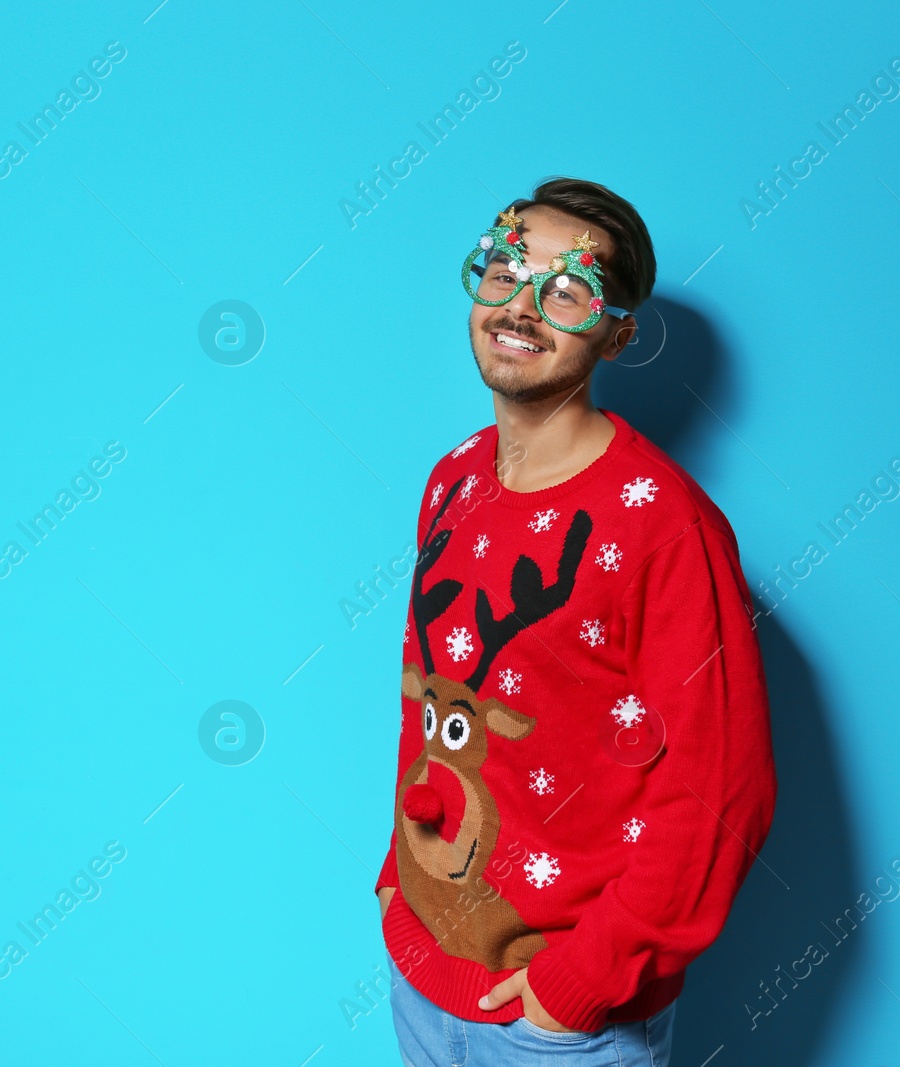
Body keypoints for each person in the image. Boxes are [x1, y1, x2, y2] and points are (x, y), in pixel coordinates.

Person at [374, 177, 778, 1066]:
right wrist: (398, 888)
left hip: (557, 1025)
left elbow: (724, 788)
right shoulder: (454, 479)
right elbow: (438, 707)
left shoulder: (665, 526)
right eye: (506, 268)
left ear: (618, 333)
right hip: (424, 974)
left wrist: (583, 982)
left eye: (568, 289)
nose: (522, 305)